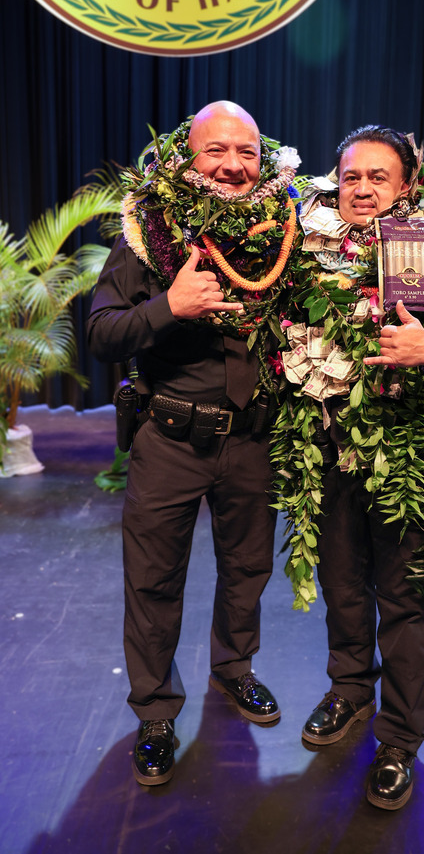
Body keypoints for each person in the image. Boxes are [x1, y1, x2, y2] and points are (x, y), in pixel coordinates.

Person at [274, 125, 424, 809]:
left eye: (379, 177)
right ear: (334, 184)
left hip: (406, 466)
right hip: (328, 455)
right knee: (343, 590)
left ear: (404, 187)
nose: (364, 188)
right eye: (351, 177)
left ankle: (398, 739)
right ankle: (348, 692)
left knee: (405, 607)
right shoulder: (302, 262)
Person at [87, 101, 300, 786]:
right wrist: (167, 308)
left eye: (246, 152)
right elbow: (100, 334)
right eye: (217, 151)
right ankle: (154, 712)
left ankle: (234, 669)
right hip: (171, 436)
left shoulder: (289, 230)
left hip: (254, 439)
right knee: (152, 583)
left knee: (248, 572)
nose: (233, 165)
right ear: (188, 157)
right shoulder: (150, 230)